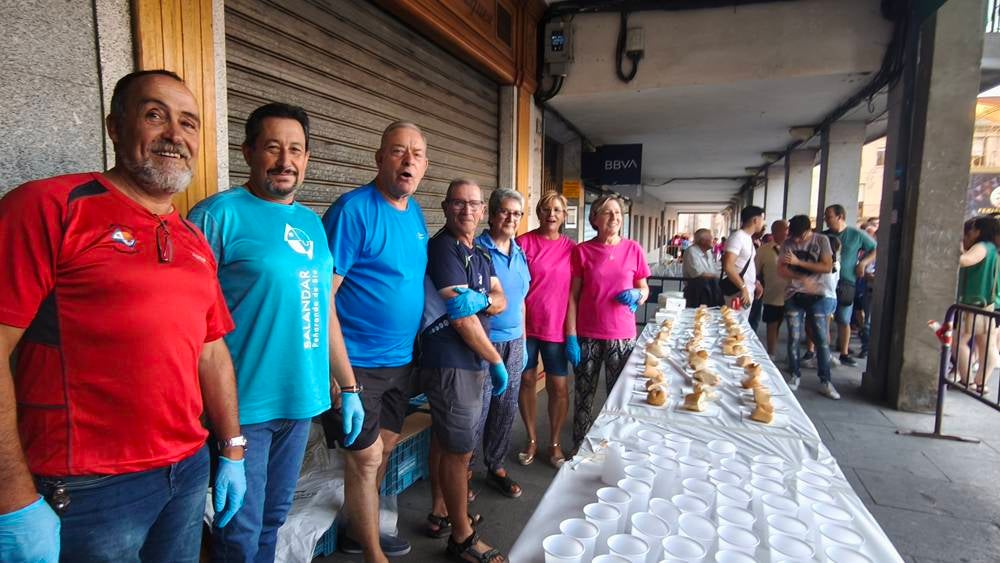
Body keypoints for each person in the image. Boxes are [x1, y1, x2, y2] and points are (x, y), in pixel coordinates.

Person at [0, 70, 245, 562]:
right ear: (114, 127)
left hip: (186, 471)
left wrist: (232, 448)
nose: (175, 135)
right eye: (155, 115)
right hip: (86, 488)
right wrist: (12, 498)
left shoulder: (193, 239)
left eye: (189, 123)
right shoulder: (49, 207)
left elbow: (211, 349)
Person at [188, 103, 358, 561]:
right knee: (238, 532)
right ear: (248, 152)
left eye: (296, 150)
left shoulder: (310, 223)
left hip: (300, 402)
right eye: (273, 148)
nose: (286, 160)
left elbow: (324, 308)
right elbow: (185, 317)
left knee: (272, 519)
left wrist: (349, 384)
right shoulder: (217, 216)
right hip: (241, 406)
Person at [319, 121, 431, 560]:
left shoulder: (417, 212)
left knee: (383, 447)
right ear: (379, 158)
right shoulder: (352, 210)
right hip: (357, 364)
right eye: (399, 151)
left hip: (400, 361)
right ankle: (372, 553)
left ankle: (354, 527)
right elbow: (322, 296)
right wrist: (335, 372)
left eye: (417, 154)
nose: (408, 161)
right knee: (364, 459)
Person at [420, 179, 508, 562]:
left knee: (445, 440)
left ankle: (442, 511)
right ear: (445, 206)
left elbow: (500, 299)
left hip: (471, 361)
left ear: (483, 211)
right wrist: (497, 359)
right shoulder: (443, 248)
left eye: (473, 204)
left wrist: (485, 299)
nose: (467, 210)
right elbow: (462, 320)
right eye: (458, 203)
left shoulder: (481, 253)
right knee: (459, 452)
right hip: (452, 362)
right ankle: (462, 536)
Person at [565, 193, 650, 451]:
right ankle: (579, 448)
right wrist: (570, 335)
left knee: (618, 396)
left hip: (622, 336)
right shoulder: (582, 252)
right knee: (584, 395)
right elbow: (572, 296)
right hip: (588, 335)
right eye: (608, 213)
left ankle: (614, 446)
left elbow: (644, 289)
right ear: (595, 219)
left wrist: (639, 295)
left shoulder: (633, 249)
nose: (614, 217)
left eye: (618, 213)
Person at [470, 188, 530, 498]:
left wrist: (524, 339)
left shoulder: (519, 253)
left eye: (517, 214)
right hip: (484, 342)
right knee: (477, 409)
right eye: (505, 212)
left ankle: (495, 465)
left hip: (514, 341)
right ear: (491, 215)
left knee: (505, 408)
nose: (511, 218)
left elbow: (521, 301)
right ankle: (465, 470)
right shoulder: (476, 249)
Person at [516, 191, 576, 469]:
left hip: (557, 328)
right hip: (524, 328)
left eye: (557, 210)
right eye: (546, 209)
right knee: (526, 382)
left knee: (559, 388)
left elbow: (578, 291)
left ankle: (554, 442)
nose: (551, 214)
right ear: (538, 213)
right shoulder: (522, 243)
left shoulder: (571, 249)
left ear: (564, 216)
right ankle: (531, 438)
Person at [779, 215, 840, 400]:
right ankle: (795, 375)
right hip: (793, 294)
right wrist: (801, 278)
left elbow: (827, 266)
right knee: (794, 337)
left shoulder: (821, 240)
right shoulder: (787, 243)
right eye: (793, 236)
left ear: (809, 230)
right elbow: (781, 270)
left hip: (818, 295)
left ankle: (825, 380)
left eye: (800, 236)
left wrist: (799, 264)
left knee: (821, 339)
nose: (796, 240)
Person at [823, 204, 877, 366]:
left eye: (829, 216)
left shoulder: (856, 234)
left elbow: (875, 249)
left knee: (844, 318)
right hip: (825, 281)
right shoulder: (823, 236)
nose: (826, 219)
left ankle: (844, 352)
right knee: (824, 317)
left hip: (847, 280)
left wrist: (863, 263)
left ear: (840, 217)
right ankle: (823, 351)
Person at [955, 216, 1000, 392]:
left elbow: (965, 261)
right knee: (986, 344)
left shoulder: (982, 247)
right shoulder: (993, 249)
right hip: (986, 304)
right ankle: (981, 383)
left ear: (979, 231)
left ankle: (968, 380)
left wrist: (957, 247)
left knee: (957, 342)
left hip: (974, 303)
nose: (970, 233)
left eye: (972, 229)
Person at [722, 206, 765, 320]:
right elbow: (728, 265)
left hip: (745, 289)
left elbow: (745, 265)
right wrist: (743, 287)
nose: (763, 223)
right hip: (737, 292)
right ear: (755, 220)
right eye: (762, 219)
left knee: (741, 325)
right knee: (735, 326)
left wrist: (755, 283)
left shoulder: (747, 238)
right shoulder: (738, 237)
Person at [755, 220, 789, 357]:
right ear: (775, 232)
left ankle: (792, 357)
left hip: (792, 294)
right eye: (785, 230)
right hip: (772, 294)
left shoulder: (795, 248)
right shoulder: (764, 250)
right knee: (772, 324)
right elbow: (755, 271)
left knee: (792, 326)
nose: (787, 233)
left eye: (788, 230)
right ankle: (771, 353)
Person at [682, 228, 723, 308]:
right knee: (698, 316)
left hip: (711, 290)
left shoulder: (708, 252)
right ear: (703, 241)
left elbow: (712, 269)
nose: (714, 241)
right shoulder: (691, 251)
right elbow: (697, 273)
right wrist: (717, 276)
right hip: (696, 291)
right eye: (711, 239)